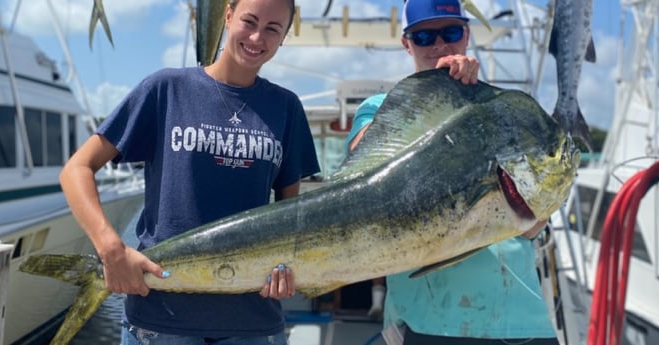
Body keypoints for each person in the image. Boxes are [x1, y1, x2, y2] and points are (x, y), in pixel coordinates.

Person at [59, 0, 319, 344]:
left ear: (285, 35)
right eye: (249, 21)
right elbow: (77, 168)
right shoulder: (165, 89)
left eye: (273, 29)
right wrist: (111, 248)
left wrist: (286, 269)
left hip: (253, 321)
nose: (257, 37)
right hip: (160, 318)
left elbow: (290, 220)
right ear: (227, 15)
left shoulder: (287, 107)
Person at [344, 0, 559, 344]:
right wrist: (439, 94)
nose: (440, 45)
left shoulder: (499, 108)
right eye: (425, 36)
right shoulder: (379, 108)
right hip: (422, 320)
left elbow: (532, 225)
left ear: (467, 35)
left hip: (520, 322)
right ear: (406, 43)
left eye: (451, 32)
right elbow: (364, 174)